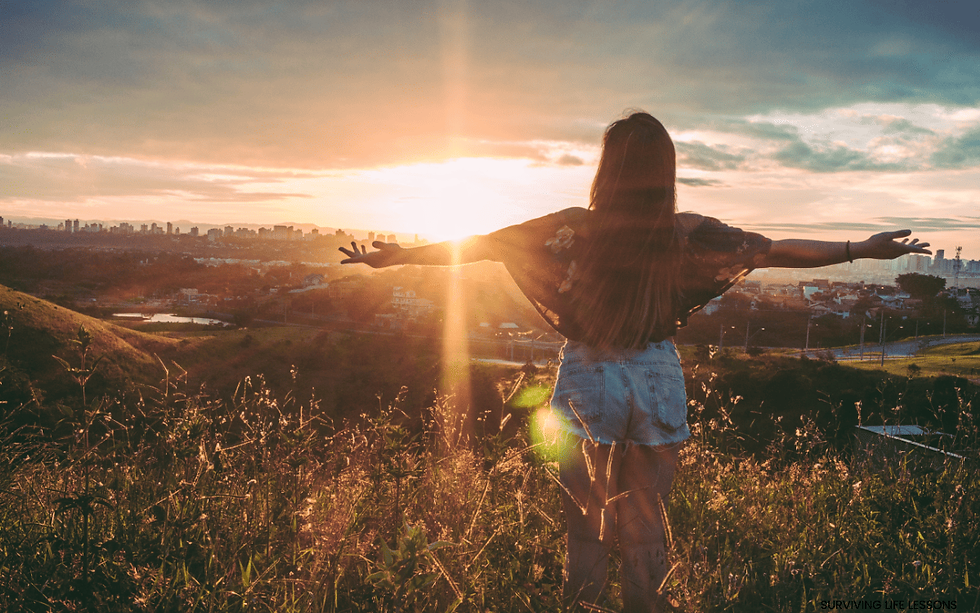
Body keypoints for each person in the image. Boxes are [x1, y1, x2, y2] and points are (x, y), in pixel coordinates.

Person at [339, 111, 930, 611]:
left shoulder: (571, 229)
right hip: (657, 376)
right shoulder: (687, 233)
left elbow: (480, 246)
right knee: (647, 531)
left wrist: (397, 257)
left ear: (607, 169)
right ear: (665, 172)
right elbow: (776, 251)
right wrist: (859, 248)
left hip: (589, 376)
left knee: (586, 533)